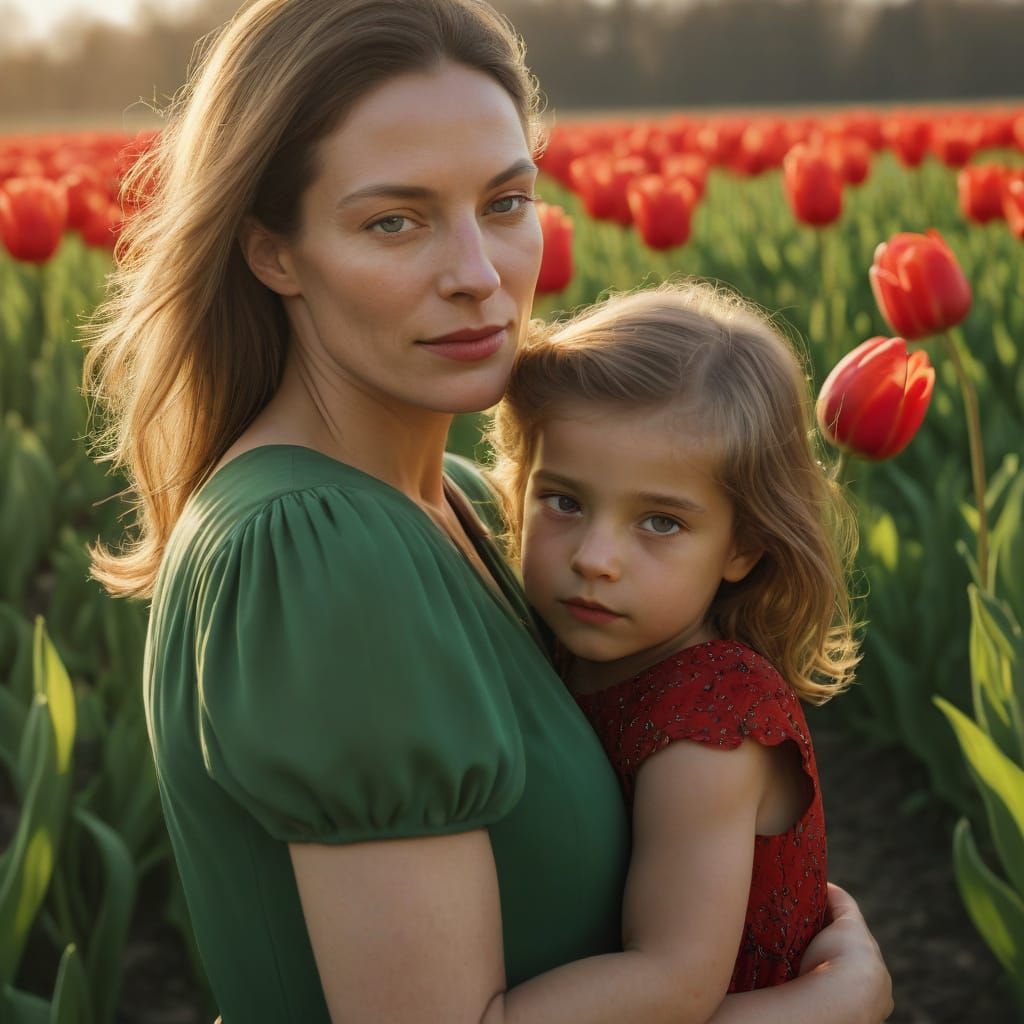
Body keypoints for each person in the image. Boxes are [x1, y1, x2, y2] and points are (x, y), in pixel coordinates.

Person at [83, 0, 892, 1020]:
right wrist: (823, 1009)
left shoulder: (462, 505)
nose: (480, 277)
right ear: (271, 252)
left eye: (505, 204)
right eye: (395, 221)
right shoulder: (322, 554)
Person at [484, 281, 860, 1019]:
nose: (595, 557)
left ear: (744, 546)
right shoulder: (559, 646)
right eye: (563, 500)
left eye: (659, 522)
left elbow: (674, 977)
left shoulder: (710, 724)